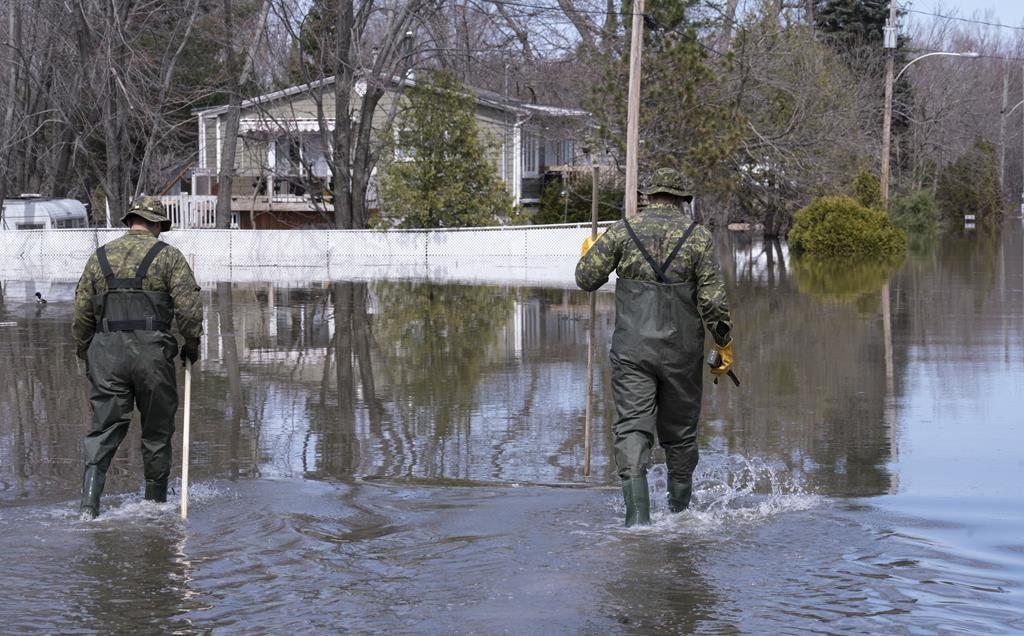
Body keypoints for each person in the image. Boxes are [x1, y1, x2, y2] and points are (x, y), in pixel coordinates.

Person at [575, 168, 733, 527]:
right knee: (680, 435)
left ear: (649, 197)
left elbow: (585, 279)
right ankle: (679, 522)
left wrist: (590, 253)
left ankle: (637, 524)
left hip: (632, 353)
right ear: (681, 201)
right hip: (682, 354)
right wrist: (724, 345)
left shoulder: (622, 231)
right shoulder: (699, 238)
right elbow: (713, 302)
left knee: (632, 429)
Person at [72, 196, 203, 519]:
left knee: (103, 431)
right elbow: (189, 309)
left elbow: (81, 315)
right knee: (157, 432)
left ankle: (89, 508)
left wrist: (85, 352)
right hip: (152, 356)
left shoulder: (99, 258)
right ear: (157, 224)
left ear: (131, 221)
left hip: (106, 355)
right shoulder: (169, 257)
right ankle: (154, 505)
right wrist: (192, 344)